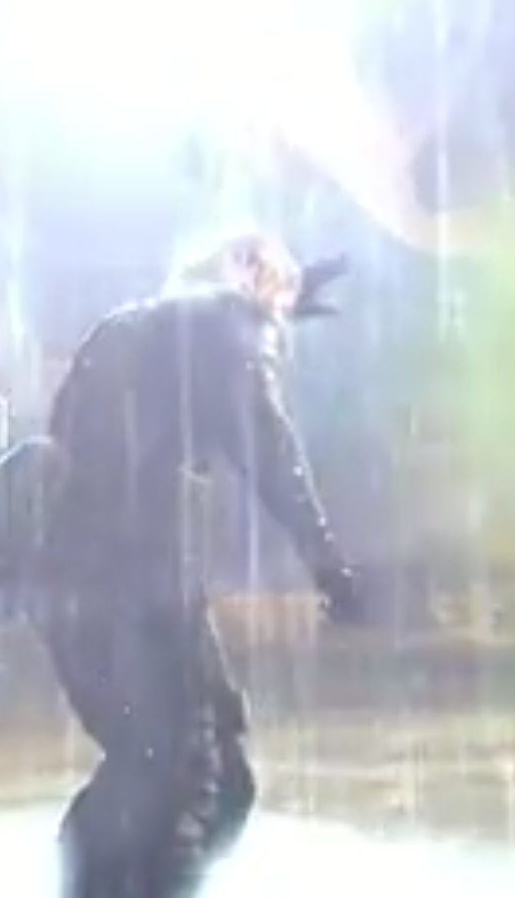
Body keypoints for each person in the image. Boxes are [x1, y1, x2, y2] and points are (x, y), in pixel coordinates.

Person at [29, 229, 367, 898]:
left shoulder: (142, 329)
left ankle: (122, 884)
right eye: (278, 283)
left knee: (207, 778)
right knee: (176, 776)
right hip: (129, 582)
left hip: (99, 580)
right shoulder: (224, 328)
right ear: (248, 278)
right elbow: (270, 450)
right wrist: (330, 565)